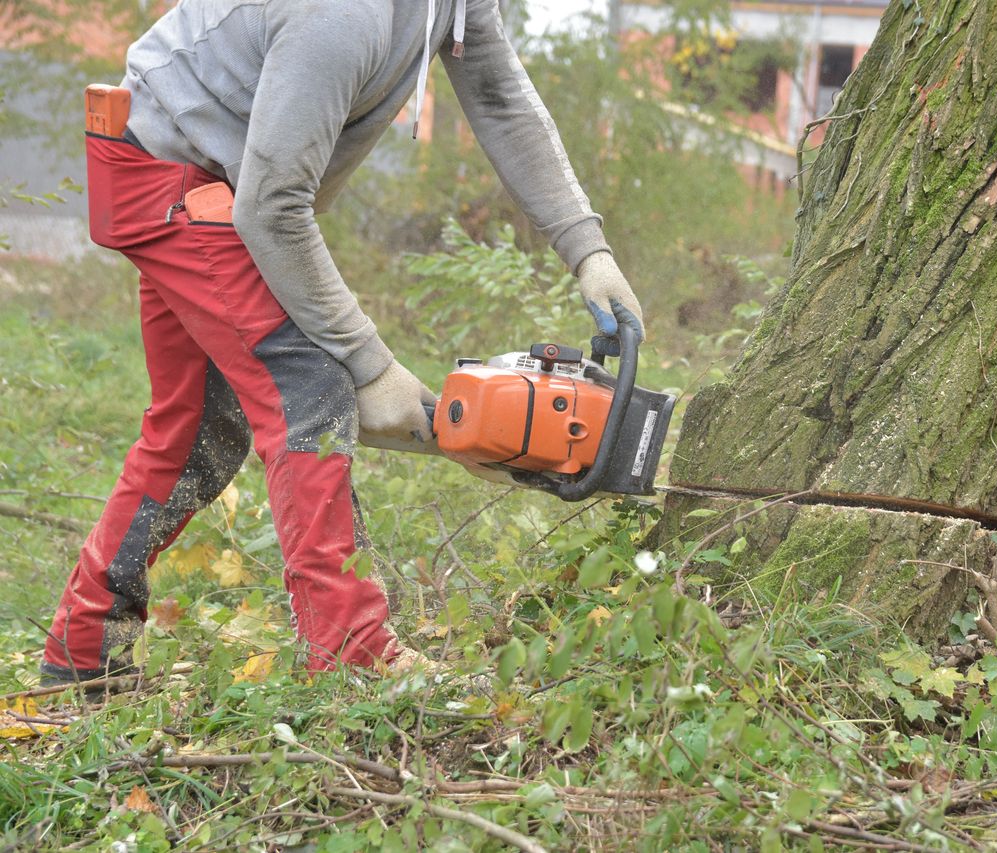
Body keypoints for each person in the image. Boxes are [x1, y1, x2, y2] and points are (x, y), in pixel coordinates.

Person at [40, 0, 645, 683]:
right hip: (174, 174)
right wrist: (368, 365)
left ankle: (82, 650)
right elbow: (270, 207)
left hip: (217, 174)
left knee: (196, 426)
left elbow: (503, 100)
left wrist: (587, 249)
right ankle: (349, 652)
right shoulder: (340, 10)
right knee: (311, 388)